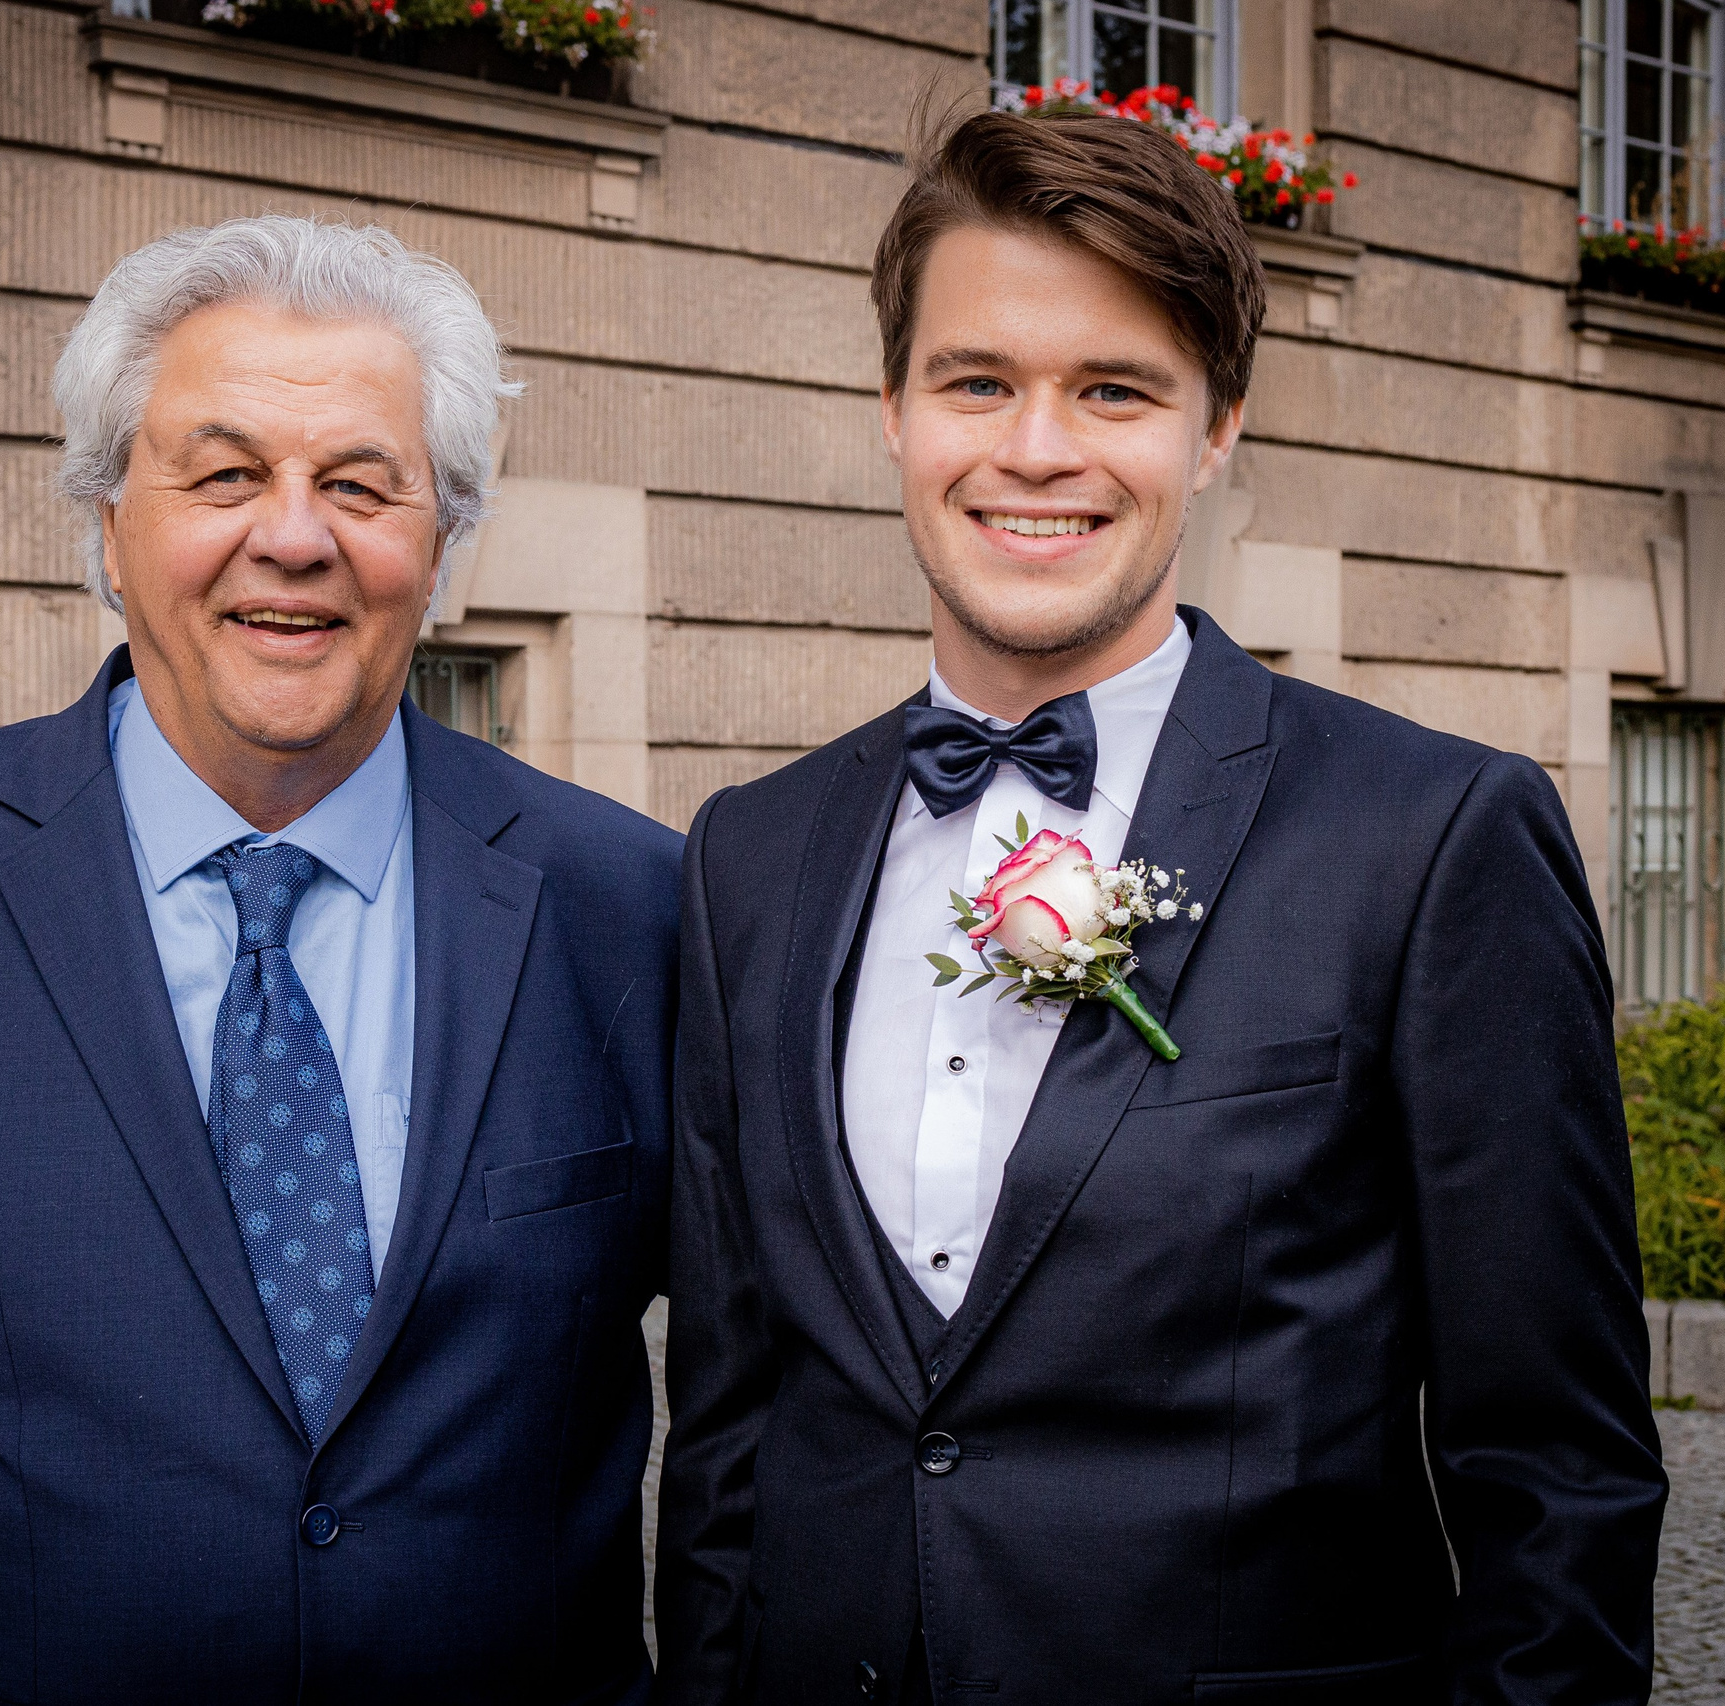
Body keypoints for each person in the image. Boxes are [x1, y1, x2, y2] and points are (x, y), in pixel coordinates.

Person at [657, 110, 1665, 1705]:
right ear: (893, 411)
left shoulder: (1436, 836)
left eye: (1113, 388)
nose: (1036, 448)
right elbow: (723, 1430)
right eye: (976, 380)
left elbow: (1561, 1477)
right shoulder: (745, 856)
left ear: (1215, 430)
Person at [0, 216, 681, 1702]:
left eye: (363, 485)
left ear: (442, 539)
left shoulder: (626, 903)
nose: (297, 534)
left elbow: (752, 1424)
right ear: (107, 518)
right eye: (226, 472)